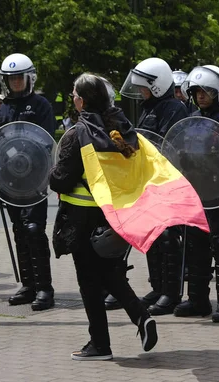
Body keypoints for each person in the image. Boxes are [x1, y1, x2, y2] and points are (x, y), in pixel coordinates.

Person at [50, 73, 157, 360]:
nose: (73, 98)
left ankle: (100, 345)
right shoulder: (121, 129)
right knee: (108, 274)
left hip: (80, 220)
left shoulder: (78, 133)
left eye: (74, 95)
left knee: (89, 281)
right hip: (112, 217)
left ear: (82, 101)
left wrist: (51, 175)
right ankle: (141, 316)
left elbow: (61, 179)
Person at [173, 65, 219, 322]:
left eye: (206, 91)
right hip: (194, 191)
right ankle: (197, 299)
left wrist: (208, 160)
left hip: (218, 191)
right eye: (196, 92)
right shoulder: (191, 120)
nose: (201, 96)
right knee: (195, 245)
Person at [117, 57, 189, 315]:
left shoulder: (174, 108)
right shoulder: (150, 107)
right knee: (154, 236)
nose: (139, 92)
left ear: (157, 85)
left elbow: (168, 144)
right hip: (148, 180)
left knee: (169, 238)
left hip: (166, 181)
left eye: (144, 87)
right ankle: (158, 287)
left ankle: (171, 293)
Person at [0, 53, 56, 311]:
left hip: (35, 177)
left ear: (28, 78)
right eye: (11, 79)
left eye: (19, 77)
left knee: (34, 229)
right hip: (11, 179)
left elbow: (47, 139)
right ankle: (28, 285)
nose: (15, 82)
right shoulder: (5, 108)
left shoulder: (40, 105)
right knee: (19, 230)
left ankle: (45, 288)